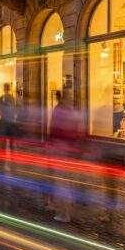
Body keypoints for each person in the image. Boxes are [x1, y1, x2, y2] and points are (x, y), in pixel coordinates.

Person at [48, 90, 83, 223]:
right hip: (71, 150)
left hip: (59, 149)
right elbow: (78, 131)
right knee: (68, 181)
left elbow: (53, 130)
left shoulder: (58, 111)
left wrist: (50, 145)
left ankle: (64, 214)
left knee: (60, 182)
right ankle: (67, 208)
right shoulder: (74, 113)